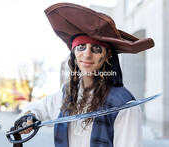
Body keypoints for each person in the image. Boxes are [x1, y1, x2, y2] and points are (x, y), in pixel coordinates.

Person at [14, 3, 155, 147]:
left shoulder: (124, 105)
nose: (87, 54)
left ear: (107, 55)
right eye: (81, 47)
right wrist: (28, 117)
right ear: (74, 54)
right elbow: (37, 108)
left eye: (96, 48)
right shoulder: (66, 93)